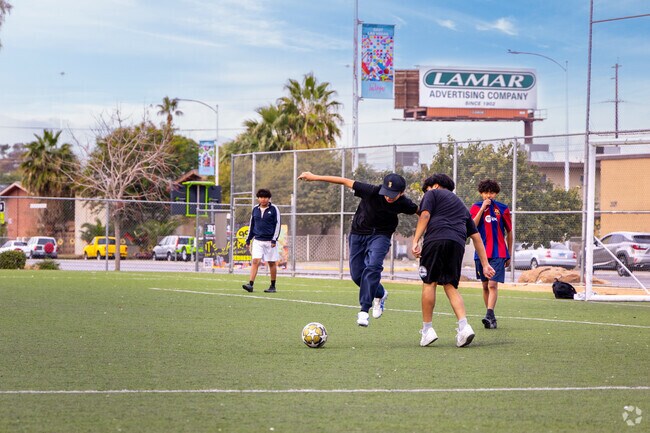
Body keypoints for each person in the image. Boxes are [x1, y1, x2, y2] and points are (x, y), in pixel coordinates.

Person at [298, 171, 418, 326]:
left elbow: (422, 213)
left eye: (393, 194)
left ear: (402, 193)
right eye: (386, 192)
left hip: (381, 236)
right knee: (356, 276)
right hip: (358, 234)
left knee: (373, 266)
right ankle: (380, 293)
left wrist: (421, 236)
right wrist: (315, 177)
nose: (388, 197)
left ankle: (364, 309)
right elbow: (344, 181)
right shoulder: (372, 191)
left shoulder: (405, 203)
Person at [412, 174, 495, 348]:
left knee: (429, 282)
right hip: (457, 243)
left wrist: (416, 240)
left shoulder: (432, 193)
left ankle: (427, 330)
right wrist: (486, 264)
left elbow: (425, 215)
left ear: (434, 186)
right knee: (450, 285)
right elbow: (476, 237)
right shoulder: (460, 206)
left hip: (435, 239)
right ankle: (464, 327)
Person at [470, 179, 512, 329]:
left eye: (492, 192)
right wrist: (482, 209)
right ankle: (491, 317)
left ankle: (489, 314)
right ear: (481, 193)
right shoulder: (475, 207)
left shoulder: (503, 209)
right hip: (481, 254)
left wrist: (509, 254)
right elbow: (472, 226)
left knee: (493, 284)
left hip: (499, 253)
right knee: (485, 285)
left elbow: (509, 232)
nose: (489, 195)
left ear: (496, 193)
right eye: (486, 192)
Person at [242, 189, 281, 293]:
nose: (263, 199)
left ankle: (272, 286)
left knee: (271, 263)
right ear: (258, 198)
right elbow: (252, 225)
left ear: (269, 198)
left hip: (270, 241)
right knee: (255, 261)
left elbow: (277, 224)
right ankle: (250, 284)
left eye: (265, 197)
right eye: (261, 197)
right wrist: (248, 239)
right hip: (257, 240)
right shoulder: (255, 209)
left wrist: (274, 239)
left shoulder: (274, 209)